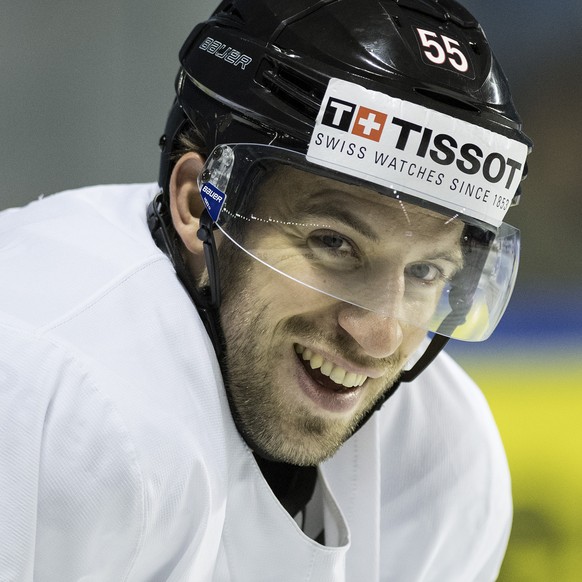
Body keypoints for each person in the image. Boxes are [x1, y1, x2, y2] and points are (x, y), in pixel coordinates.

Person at [0, 0, 532, 580]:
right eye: (334, 243)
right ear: (198, 201)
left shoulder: (440, 459)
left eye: (426, 272)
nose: (380, 336)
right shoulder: (54, 399)